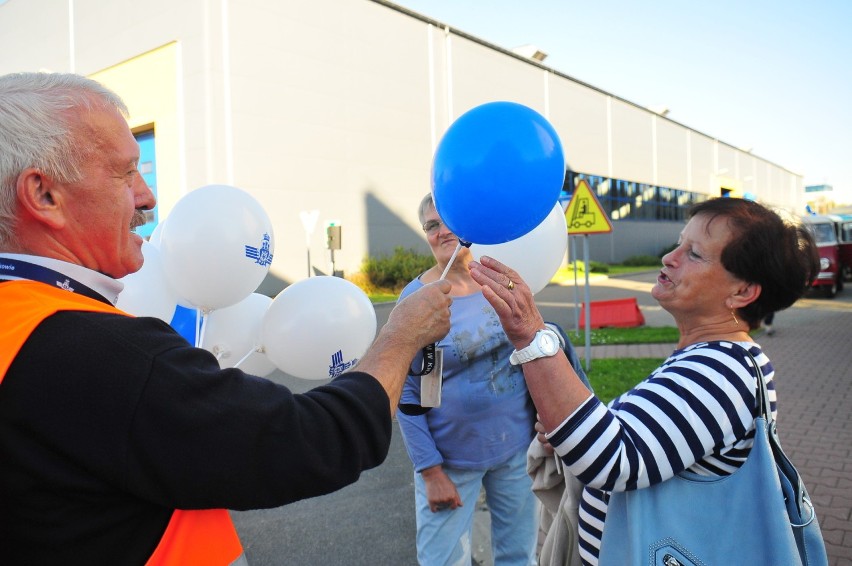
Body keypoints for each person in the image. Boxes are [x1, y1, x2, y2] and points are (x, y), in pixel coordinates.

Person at [0, 71, 452, 564]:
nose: (147, 197)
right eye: (124, 173)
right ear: (44, 195)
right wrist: (403, 334)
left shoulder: (20, 325)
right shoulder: (92, 350)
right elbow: (313, 439)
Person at [468, 197, 819, 566]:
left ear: (742, 292)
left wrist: (531, 334)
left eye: (695, 254)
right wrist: (570, 430)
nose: (671, 257)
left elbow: (611, 459)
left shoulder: (722, 368)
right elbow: (642, 440)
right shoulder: (716, 358)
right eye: (679, 242)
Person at [396, 194, 539, 566]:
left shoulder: (500, 281)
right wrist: (430, 471)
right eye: (430, 225)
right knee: (441, 561)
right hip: (450, 461)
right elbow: (409, 392)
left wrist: (550, 422)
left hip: (517, 452)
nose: (441, 231)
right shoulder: (417, 300)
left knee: (519, 555)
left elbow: (536, 352)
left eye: (448, 221)